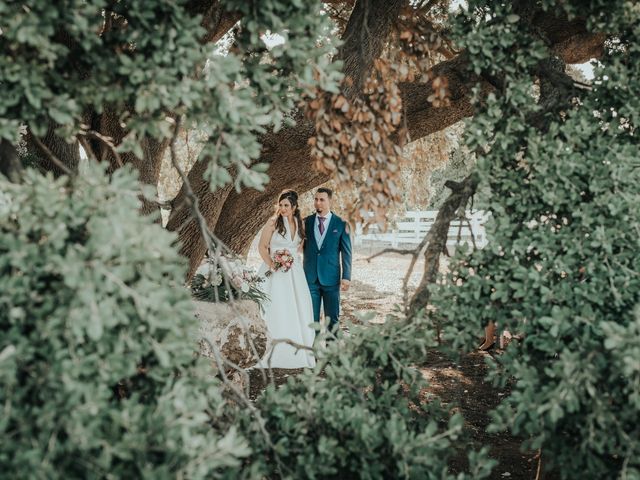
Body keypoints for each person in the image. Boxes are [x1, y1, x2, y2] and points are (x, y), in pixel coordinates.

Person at [255, 190, 316, 369]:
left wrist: (291, 260)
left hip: (294, 273)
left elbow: (298, 248)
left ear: (294, 207)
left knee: (297, 307)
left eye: (286, 206)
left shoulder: (299, 223)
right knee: (275, 306)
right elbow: (262, 247)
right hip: (274, 271)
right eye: (280, 205)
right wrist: (273, 264)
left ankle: (296, 350)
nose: (282, 208)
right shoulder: (273, 222)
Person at [303, 187, 352, 336]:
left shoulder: (341, 224)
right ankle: (315, 357)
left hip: (331, 278)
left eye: (322, 200)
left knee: (333, 320)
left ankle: (332, 356)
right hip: (310, 278)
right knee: (312, 320)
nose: (318, 203)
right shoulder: (306, 222)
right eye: (316, 199)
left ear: (330, 201)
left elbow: (347, 252)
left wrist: (346, 276)